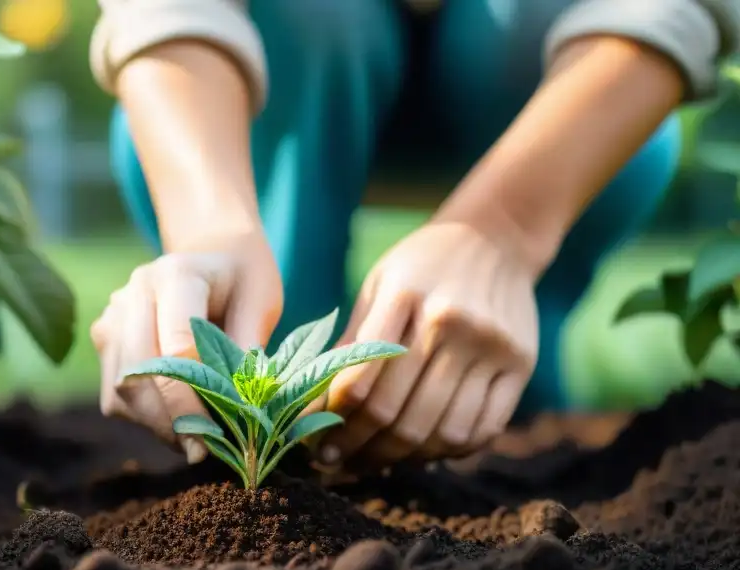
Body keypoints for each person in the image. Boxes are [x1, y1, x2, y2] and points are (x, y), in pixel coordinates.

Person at [88, 0, 740, 471]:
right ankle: (280, 441)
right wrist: (208, 227)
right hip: (266, 84)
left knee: (522, 19)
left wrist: (502, 233)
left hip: (558, 86)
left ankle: (515, 408)